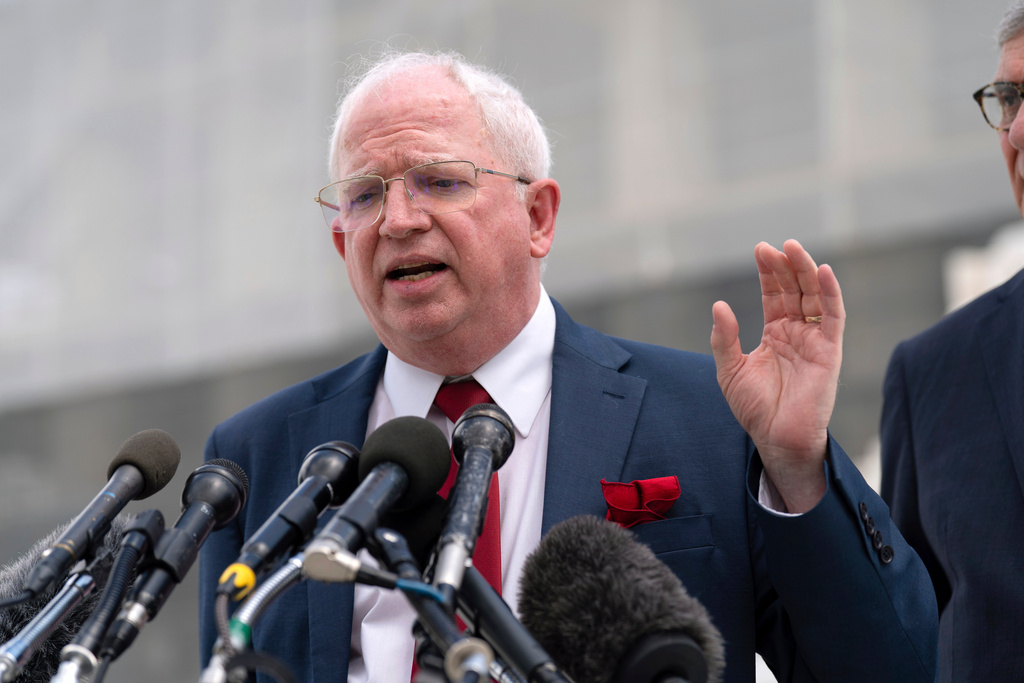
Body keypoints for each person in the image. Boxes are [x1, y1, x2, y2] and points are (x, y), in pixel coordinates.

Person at [199, 50, 937, 683]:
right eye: (365, 195)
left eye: (439, 180)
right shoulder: (260, 456)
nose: (397, 219)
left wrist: (799, 467)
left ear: (539, 217)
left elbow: (896, 667)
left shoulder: (710, 417)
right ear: (342, 244)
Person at [881, 3, 1024, 680]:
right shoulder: (933, 371)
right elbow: (896, 635)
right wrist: (797, 468)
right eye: (1008, 98)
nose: (1017, 130)